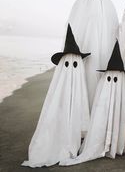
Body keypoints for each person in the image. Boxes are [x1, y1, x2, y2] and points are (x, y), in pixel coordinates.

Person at [22, 24, 91, 167]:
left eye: (75, 64)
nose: (71, 68)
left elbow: (81, 105)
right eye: (67, 64)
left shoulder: (79, 83)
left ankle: (71, 140)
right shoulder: (60, 85)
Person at [60, 41, 125, 166]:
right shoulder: (102, 94)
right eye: (110, 78)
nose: (112, 82)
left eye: (116, 79)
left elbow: (123, 112)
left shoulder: (119, 93)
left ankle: (113, 144)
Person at [68, 0, 119, 109]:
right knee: (84, 79)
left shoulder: (107, 11)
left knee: (96, 78)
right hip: (82, 53)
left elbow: (113, 31)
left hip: (101, 54)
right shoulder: (80, 9)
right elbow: (73, 31)